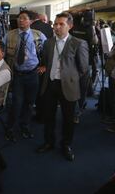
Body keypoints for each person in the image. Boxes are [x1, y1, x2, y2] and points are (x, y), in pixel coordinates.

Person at [36, 12, 89, 161]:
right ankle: (49, 142)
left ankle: (66, 145)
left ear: (70, 26)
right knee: (48, 117)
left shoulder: (79, 43)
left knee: (68, 118)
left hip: (69, 86)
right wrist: (45, 68)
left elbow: (84, 68)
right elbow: (46, 61)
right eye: (55, 24)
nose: (57, 27)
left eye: (61, 24)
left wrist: (71, 78)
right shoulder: (48, 43)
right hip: (50, 84)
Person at [4, 10, 46, 141]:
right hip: (17, 75)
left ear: (31, 21)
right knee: (17, 103)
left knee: (29, 103)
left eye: (24, 18)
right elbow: (2, 53)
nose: (20, 20)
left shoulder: (38, 36)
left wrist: (45, 65)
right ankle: (10, 127)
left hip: (33, 74)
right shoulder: (9, 35)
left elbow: (48, 52)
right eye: (19, 18)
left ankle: (25, 125)